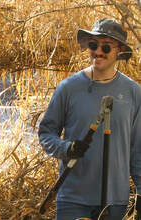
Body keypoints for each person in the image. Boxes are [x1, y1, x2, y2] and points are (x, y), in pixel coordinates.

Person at [38, 18, 141, 219]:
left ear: (119, 50)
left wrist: (140, 190)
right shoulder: (68, 88)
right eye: (93, 45)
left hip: (115, 203)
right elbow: (46, 133)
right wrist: (66, 148)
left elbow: (138, 149)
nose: (98, 51)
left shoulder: (134, 93)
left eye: (106, 47)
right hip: (72, 200)